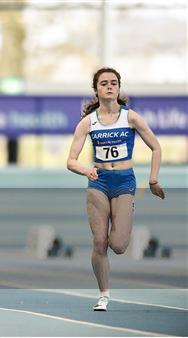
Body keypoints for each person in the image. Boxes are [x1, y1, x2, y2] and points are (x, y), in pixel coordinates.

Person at [67, 67, 165, 311]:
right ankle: (103, 294)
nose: (109, 86)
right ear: (97, 89)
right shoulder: (87, 122)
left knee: (118, 245)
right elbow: (71, 160)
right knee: (99, 242)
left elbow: (156, 147)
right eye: (104, 83)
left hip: (124, 182)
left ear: (119, 88)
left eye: (113, 83)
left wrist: (152, 180)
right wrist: (86, 170)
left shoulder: (130, 117)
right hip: (98, 181)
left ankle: (119, 226)